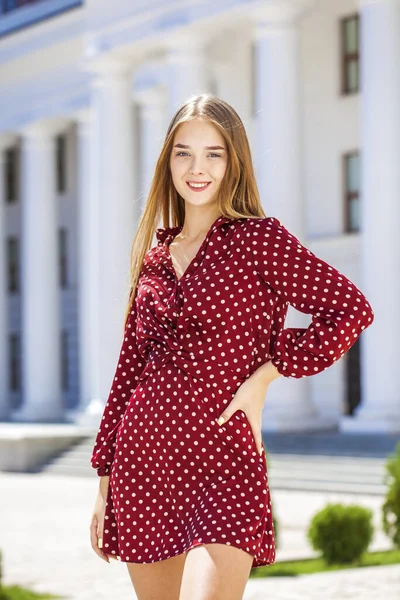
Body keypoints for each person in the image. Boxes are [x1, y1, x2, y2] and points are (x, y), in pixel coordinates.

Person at [89, 93, 374, 600]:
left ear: (233, 161)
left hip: (225, 461)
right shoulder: (154, 258)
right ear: (167, 162)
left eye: (213, 153)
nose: (197, 168)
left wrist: (268, 374)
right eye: (183, 153)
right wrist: (105, 480)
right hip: (144, 462)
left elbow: (350, 310)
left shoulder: (260, 240)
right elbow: (128, 371)